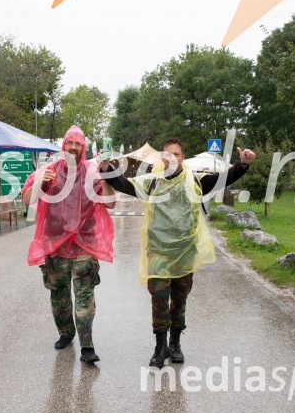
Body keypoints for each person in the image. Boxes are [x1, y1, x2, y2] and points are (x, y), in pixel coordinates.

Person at [100, 137, 255, 368]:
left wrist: (242, 165)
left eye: (177, 154)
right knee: (159, 299)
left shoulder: (195, 181)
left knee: (180, 299)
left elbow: (223, 178)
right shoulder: (152, 182)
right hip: (159, 253)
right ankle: (160, 346)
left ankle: (175, 344)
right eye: (167, 154)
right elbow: (125, 185)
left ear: (183, 157)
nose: (171, 158)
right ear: (162, 157)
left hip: (184, 252)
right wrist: (107, 170)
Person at [22, 125, 116, 363]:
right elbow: (25, 199)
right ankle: (66, 333)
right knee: (59, 296)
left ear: (83, 148)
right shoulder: (49, 170)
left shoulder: (92, 172)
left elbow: (110, 202)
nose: (73, 147)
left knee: (85, 296)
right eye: (69, 143)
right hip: (56, 246)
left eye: (77, 144)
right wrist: (40, 183)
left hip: (84, 246)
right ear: (63, 146)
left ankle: (87, 345)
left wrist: (106, 176)